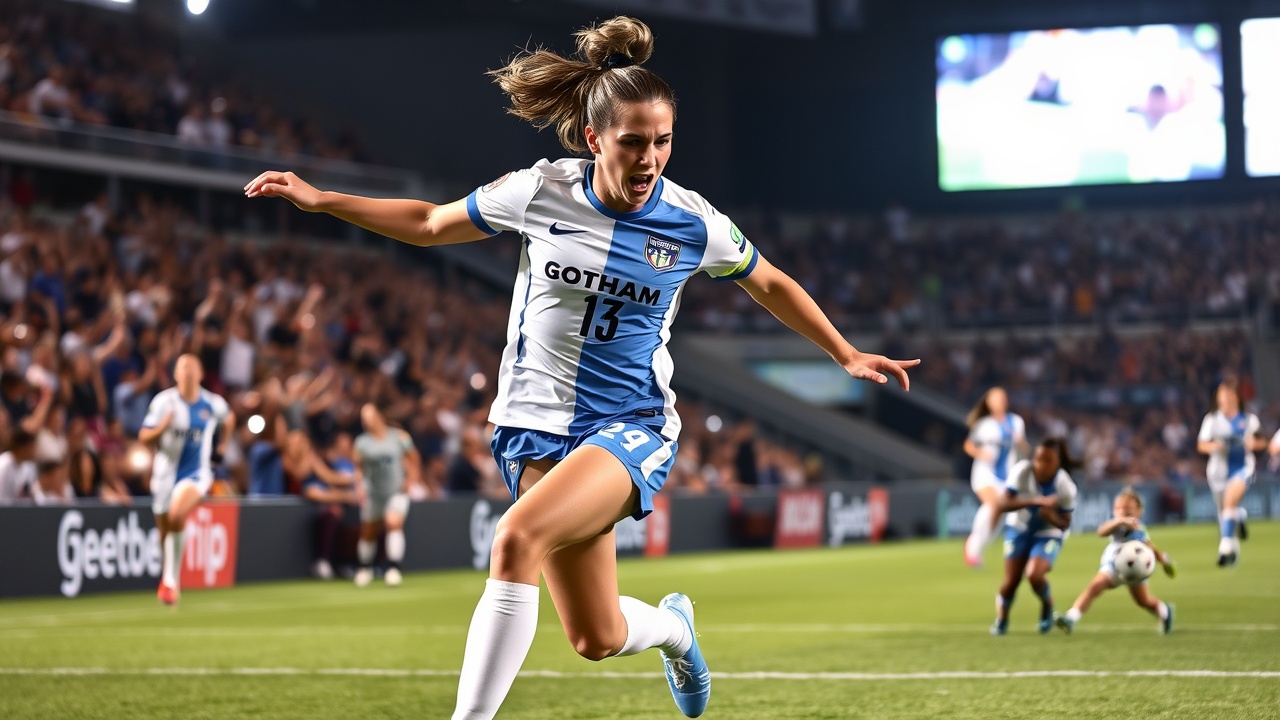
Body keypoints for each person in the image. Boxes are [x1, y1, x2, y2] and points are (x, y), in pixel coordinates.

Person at [245, 15, 918, 719]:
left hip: (629, 425)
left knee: (515, 538)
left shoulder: (693, 222)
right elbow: (430, 224)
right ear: (595, 139)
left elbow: (769, 281)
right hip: (532, 427)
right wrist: (321, 199)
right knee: (596, 637)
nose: (650, 159)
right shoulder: (540, 191)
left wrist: (845, 352)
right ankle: (676, 630)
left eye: (663, 141)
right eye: (633, 142)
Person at [138, 354, 235, 606]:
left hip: (197, 474)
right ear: (176, 374)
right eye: (183, 366)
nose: (188, 370)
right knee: (165, 529)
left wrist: (222, 446)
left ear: (201, 374)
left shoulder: (212, 403)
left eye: (193, 366)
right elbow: (144, 437)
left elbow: (229, 418)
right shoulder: (164, 402)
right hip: (164, 475)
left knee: (177, 514)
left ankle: (171, 581)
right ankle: (168, 578)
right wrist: (162, 427)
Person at [1055, 488, 1176, 635]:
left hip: (1135, 572)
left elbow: (1148, 547)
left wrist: (1163, 560)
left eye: (1128, 509)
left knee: (1143, 601)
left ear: (1139, 512)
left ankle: (1165, 611)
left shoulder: (1139, 530)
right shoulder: (1116, 525)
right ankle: (1071, 618)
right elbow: (1101, 531)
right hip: (1113, 567)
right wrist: (1120, 521)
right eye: (1118, 508)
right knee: (1094, 587)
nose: (1122, 512)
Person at [990, 437, 1076, 636]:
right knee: (1011, 582)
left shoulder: (1065, 486)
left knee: (1034, 575)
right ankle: (1002, 619)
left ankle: (1047, 605)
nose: (1041, 464)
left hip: (1048, 532)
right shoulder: (1022, 471)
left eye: (1048, 460)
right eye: (1038, 459)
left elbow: (1065, 523)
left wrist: (1051, 517)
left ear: (1057, 462)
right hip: (1018, 528)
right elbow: (1002, 504)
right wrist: (1035, 501)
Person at [1195, 378, 1267, 567]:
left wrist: (1253, 444)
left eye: (1227, 395)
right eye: (1221, 395)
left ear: (1236, 397)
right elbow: (1201, 445)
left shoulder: (1249, 420)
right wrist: (1214, 446)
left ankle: (1225, 547)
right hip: (1217, 472)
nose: (1224, 399)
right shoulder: (1212, 420)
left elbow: (1263, 442)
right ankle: (1235, 538)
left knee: (1229, 503)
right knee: (1225, 512)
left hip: (1242, 468)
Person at [352, 403, 420, 588]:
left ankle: (393, 568)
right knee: (369, 531)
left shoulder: (400, 436)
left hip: (396, 491)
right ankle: (365, 568)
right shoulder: (361, 442)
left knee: (393, 522)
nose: (366, 421)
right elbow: (358, 468)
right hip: (373, 493)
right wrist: (359, 486)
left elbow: (414, 458)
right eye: (363, 418)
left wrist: (410, 480)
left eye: (369, 416)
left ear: (379, 416)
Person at [963, 387, 1029, 567]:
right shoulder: (983, 425)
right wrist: (981, 453)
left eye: (1001, 398)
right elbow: (968, 445)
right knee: (992, 504)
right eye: (994, 400)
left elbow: (1025, 449)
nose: (998, 402)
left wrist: (1021, 443)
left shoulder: (1016, 422)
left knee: (998, 516)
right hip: (984, 473)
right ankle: (972, 545)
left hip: (1006, 477)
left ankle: (979, 546)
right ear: (989, 404)